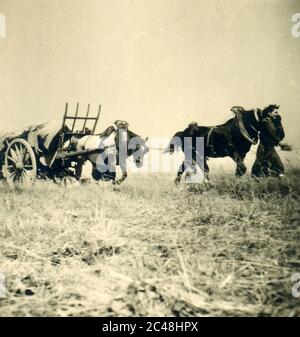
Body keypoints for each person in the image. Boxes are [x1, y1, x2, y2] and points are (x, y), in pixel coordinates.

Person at [251, 105, 285, 177]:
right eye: (275, 112)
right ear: (269, 113)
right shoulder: (265, 122)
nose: (277, 114)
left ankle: (266, 179)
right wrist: (279, 143)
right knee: (259, 165)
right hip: (264, 147)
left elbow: (280, 134)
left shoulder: (272, 122)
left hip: (269, 147)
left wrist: (279, 121)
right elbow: (271, 134)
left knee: (276, 167)